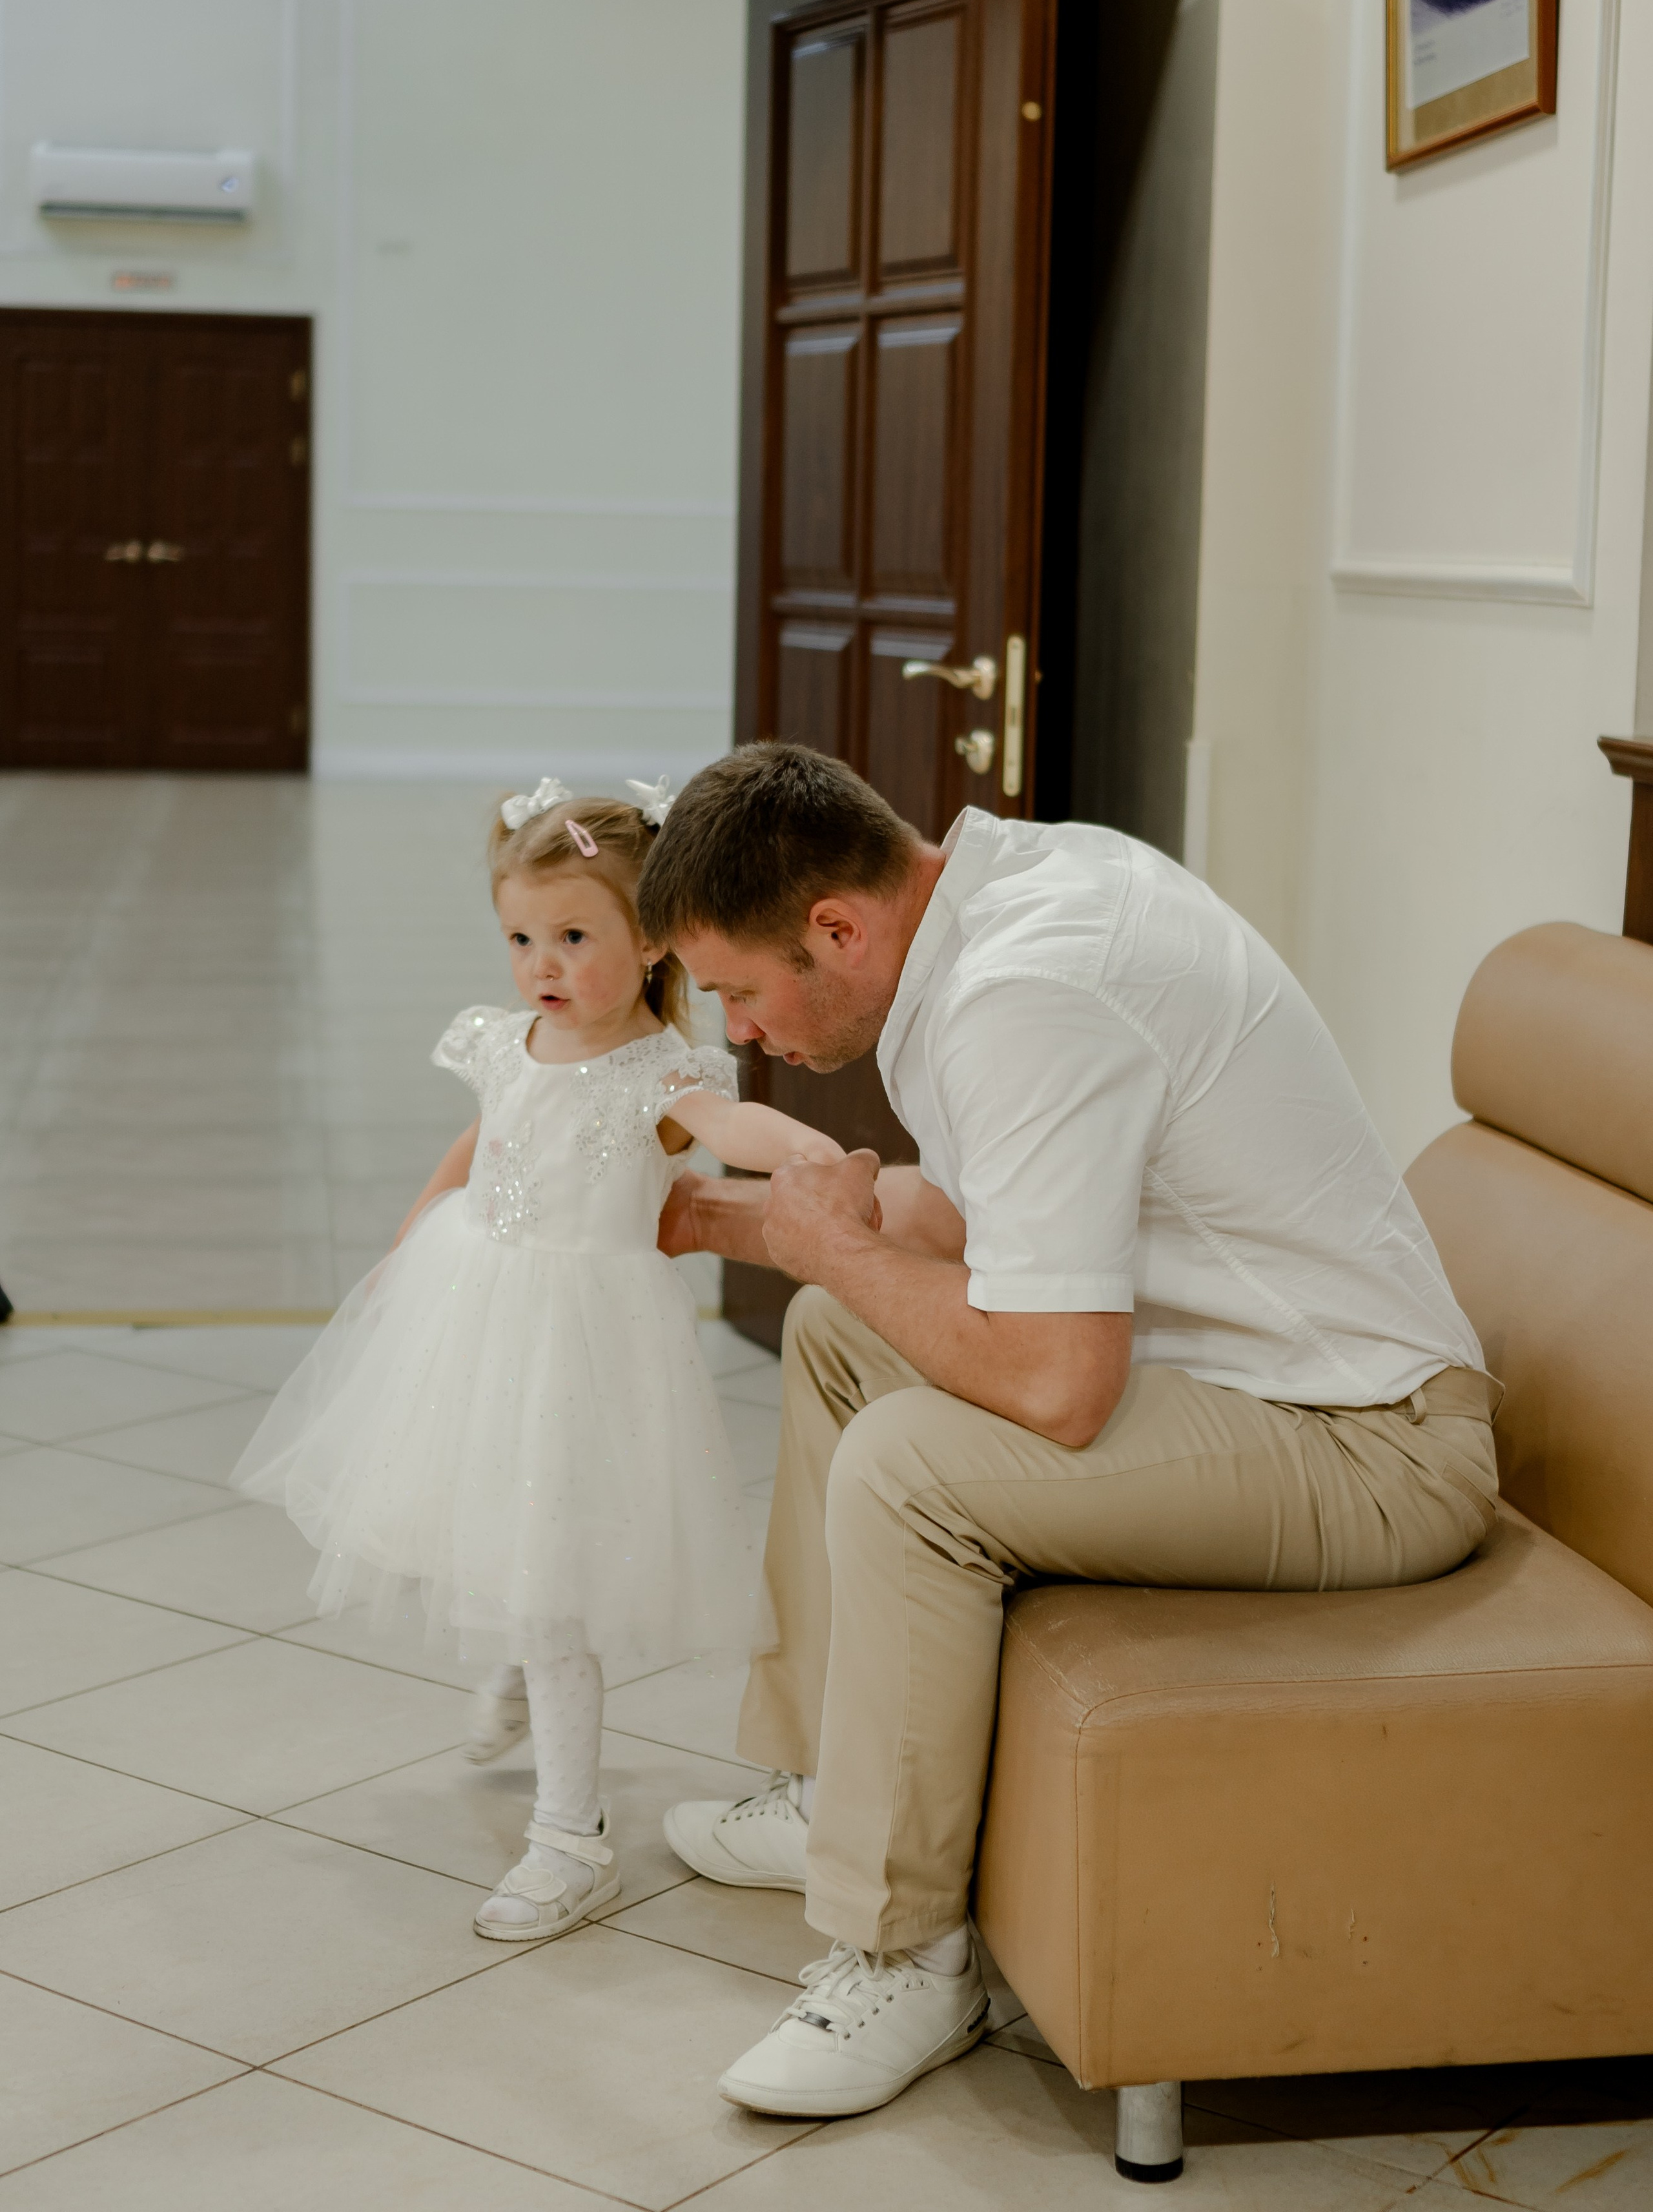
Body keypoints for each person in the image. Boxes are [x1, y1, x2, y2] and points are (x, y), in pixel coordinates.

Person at [635, 743, 1500, 2120]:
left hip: (1372, 1444)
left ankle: (902, 1957)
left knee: (908, 1468)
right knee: (836, 1334)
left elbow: (1054, 1384)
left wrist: (828, 1251)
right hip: (1252, 1383)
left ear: (836, 930)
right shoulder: (1016, 888)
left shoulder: (1023, 992)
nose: (740, 1032)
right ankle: (831, 1793)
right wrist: (735, 1221)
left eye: (740, 990)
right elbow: (979, 1224)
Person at [234, 774, 842, 1943]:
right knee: (504, 1524)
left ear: (653, 937)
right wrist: (414, 1234)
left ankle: (573, 1840)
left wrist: (810, 1153)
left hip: (587, 1343)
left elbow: (730, 1132)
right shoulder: (513, 1042)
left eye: (573, 937)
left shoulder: (660, 1071)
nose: (542, 965)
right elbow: (481, 1139)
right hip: (477, 1301)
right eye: (522, 938)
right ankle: (531, 1667)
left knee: (559, 1577)